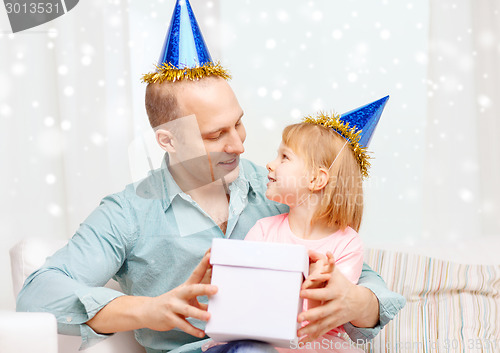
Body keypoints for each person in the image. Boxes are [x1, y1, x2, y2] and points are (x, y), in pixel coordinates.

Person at [16, 1, 405, 353]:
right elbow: (39, 294)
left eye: (238, 124)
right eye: (216, 135)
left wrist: (358, 303)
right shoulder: (129, 213)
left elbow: (357, 274)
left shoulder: (278, 191)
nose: (237, 145)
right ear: (169, 140)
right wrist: (148, 310)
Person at [243, 112, 382, 352]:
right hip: (262, 339)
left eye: (284, 157)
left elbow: (330, 311)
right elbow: (244, 294)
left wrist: (319, 285)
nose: (270, 164)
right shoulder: (263, 231)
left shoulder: (348, 244)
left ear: (317, 179)